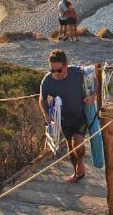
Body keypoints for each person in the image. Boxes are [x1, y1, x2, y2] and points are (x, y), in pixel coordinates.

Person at [39, 50, 95, 183]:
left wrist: (93, 96)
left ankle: (80, 166)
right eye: (52, 70)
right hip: (64, 119)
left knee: (77, 142)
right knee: (70, 147)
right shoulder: (47, 80)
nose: (55, 74)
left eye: (59, 70)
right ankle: (77, 173)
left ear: (66, 65)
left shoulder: (77, 72)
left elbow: (94, 78)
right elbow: (42, 99)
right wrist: (46, 114)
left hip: (80, 114)